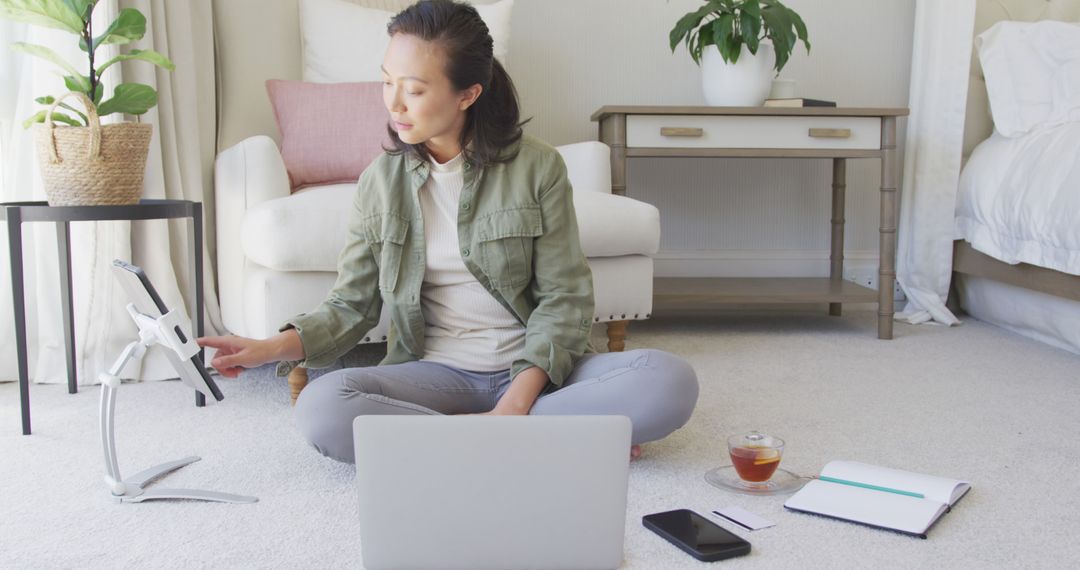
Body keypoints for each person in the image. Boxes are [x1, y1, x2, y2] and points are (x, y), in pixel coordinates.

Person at [198, 0, 698, 464]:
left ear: (468, 94)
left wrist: (514, 404)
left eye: (414, 90)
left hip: (538, 372)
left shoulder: (537, 166)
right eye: (387, 82)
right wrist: (267, 347)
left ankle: (471, 434)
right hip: (436, 374)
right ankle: (558, 434)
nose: (394, 104)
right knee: (322, 407)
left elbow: (564, 299)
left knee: (668, 381)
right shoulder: (380, 181)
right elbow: (351, 305)